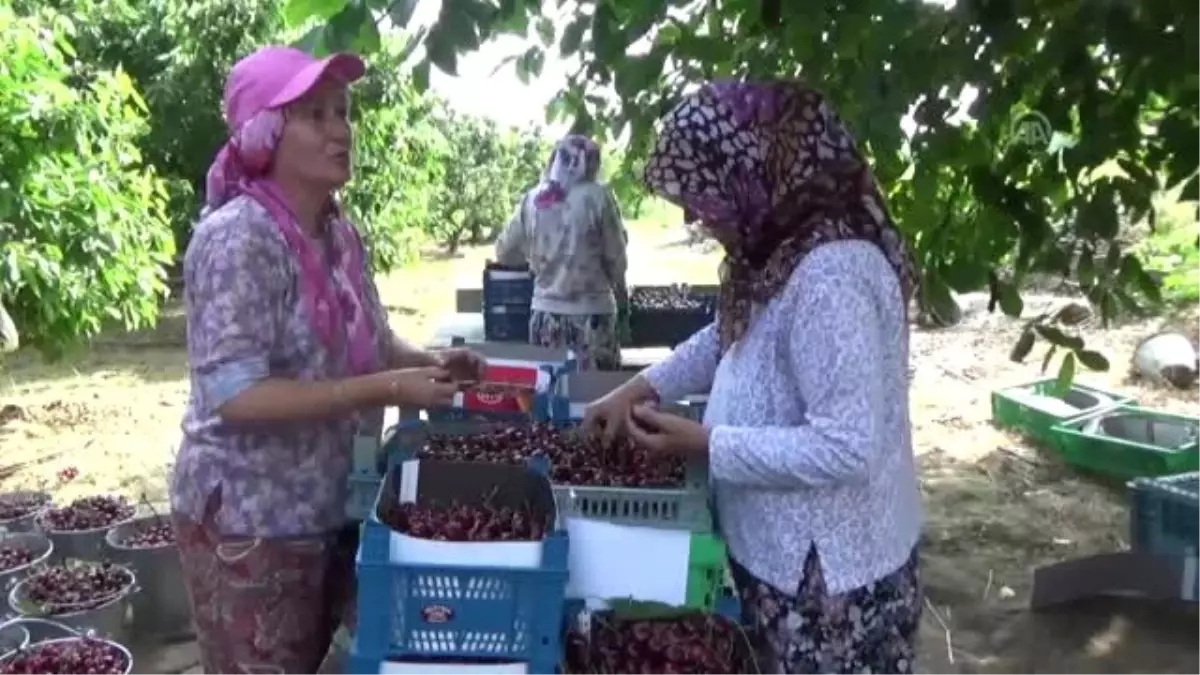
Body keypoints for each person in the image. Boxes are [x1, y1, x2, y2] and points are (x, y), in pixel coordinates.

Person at [582, 81, 923, 673]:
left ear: (754, 168)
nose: (693, 212)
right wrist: (639, 387)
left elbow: (846, 446)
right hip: (780, 561)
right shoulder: (777, 254)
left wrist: (707, 443)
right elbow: (725, 340)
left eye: (703, 190)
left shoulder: (831, 278)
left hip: (830, 583)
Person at [171, 45, 486, 674]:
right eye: (316, 114)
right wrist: (383, 388)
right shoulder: (240, 238)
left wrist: (430, 363)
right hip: (252, 523)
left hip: (330, 505)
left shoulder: (338, 234)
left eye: (343, 112)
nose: (341, 129)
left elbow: (366, 342)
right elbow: (235, 394)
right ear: (266, 131)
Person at [494, 135, 629, 370]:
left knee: (551, 393)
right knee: (596, 396)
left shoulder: (533, 199)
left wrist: (535, 259)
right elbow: (617, 260)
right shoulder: (599, 198)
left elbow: (504, 252)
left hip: (546, 315)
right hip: (593, 316)